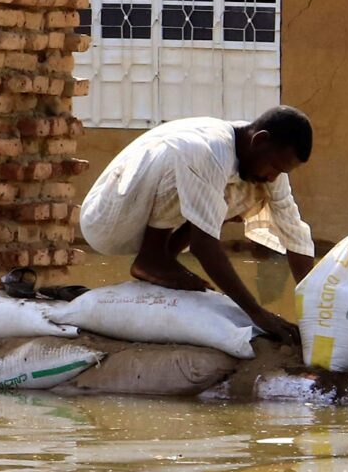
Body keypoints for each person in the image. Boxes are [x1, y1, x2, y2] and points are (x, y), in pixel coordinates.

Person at [77, 108, 316, 344]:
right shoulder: (207, 150)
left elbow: (293, 231)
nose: (274, 177)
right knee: (187, 162)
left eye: (281, 171)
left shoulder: (261, 156)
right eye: (274, 167)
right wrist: (257, 313)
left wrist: (317, 307)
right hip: (108, 220)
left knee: (252, 188)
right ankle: (152, 257)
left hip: (140, 214)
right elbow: (204, 245)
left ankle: (165, 256)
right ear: (259, 140)